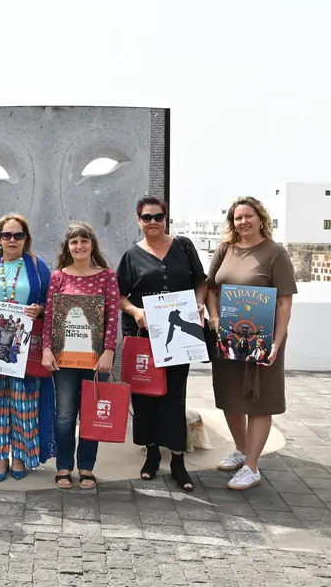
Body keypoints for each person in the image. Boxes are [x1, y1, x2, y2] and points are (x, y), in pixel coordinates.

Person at [206, 196, 297, 490]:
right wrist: (216, 317)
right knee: (231, 397)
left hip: (262, 339)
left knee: (259, 400)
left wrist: (277, 342)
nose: (243, 222)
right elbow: (210, 288)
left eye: (248, 216)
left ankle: (252, 466)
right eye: (237, 218)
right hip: (228, 338)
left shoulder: (275, 253)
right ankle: (241, 449)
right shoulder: (224, 250)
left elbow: (284, 302)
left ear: (260, 218)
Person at [116, 197, 206, 491]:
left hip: (179, 336)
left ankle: (177, 459)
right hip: (144, 336)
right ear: (138, 220)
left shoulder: (184, 246)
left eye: (158, 216)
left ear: (166, 218)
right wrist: (135, 311)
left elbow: (200, 282)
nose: (152, 222)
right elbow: (120, 296)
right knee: (145, 396)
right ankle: (152, 454)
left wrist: (199, 304)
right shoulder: (131, 256)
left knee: (174, 394)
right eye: (146, 217)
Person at [0, 214, 55, 482]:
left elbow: (48, 302)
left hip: (24, 348)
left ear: (26, 239)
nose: (12, 240)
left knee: (23, 403)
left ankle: (19, 455)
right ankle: (0, 457)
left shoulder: (37, 266)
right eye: (6, 235)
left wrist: (39, 309)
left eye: (18, 235)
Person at [41, 221, 120, 490]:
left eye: (84, 241)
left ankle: (86, 466)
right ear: (68, 247)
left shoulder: (107, 276)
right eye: (74, 242)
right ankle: (64, 465)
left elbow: (112, 316)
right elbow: (50, 316)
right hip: (64, 359)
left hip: (97, 359)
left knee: (91, 413)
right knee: (64, 414)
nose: (80, 246)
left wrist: (109, 351)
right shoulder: (58, 277)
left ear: (92, 245)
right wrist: (47, 349)